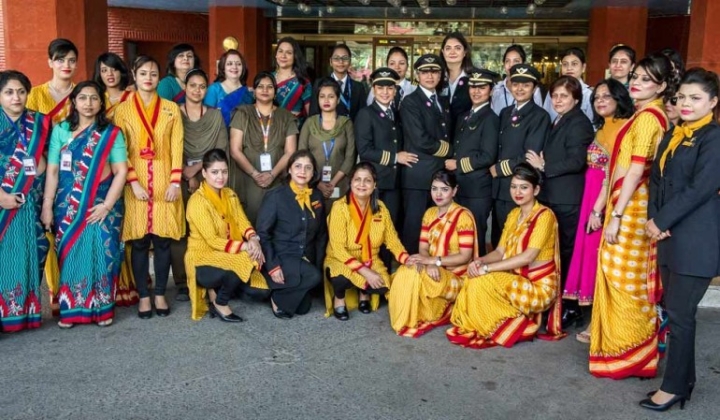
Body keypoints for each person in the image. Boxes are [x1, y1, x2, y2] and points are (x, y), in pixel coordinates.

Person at [589, 53, 673, 379]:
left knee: (625, 283)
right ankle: (620, 350)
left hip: (632, 210)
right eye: (635, 77)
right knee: (616, 277)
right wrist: (602, 207)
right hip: (623, 204)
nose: (636, 83)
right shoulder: (642, 115)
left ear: (663, 86)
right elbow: (617, 167)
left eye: (646, 79)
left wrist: (617, 216)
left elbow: (636, 168)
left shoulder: (650, 118)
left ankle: (632, 353)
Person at [642, 68, 720, 412]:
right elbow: (657, 181)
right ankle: (683, 382)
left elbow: (700, 188)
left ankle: (673, 387)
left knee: (680, 314)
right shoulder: (675, 133)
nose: (686, 104)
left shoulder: (713, 138)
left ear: (713, 102)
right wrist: (654, 219)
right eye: (683, 97)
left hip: (696, 239)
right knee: (677, 312)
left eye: (696, 98)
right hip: (669, 236)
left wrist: (662, 219)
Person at [447, 163, 565, 348]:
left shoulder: (544, 216)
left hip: (538, 287)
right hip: (515, 279)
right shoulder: (513, 214)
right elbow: (499, 252)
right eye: (514, 186)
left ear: (536, 190)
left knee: (482, 280)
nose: (517, 192)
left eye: (524, 187)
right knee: (473, 279)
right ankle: (493, 322)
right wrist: (479, 261)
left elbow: (528, 257)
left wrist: (486, 269)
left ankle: (518, 326)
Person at [40, 81, 128, 328]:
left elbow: (121, 172)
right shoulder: (61, 131)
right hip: (68, 203)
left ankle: (102, 309)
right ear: (74, 102)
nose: (88, 103)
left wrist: (107, 205)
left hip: (103, 204)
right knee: (71, 253)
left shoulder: (112, 133)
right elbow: (54, 171)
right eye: (83, 98)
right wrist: (47, 205)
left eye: (93, 98)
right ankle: (72, 310)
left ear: (101, 103)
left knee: (103, 251)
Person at [113, 55, 185, 319]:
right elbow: (119, 149)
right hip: (136, 183)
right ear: (134, 74)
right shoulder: (122, 110)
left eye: (154, 73)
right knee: (140, 242)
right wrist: (132, 181)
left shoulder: (170, 108)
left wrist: (176, 180)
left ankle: (160, 294)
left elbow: (177, 145)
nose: (148, 78)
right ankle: (144, 295)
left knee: (163, 241)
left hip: (166, 178)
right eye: (143, 73)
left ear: (159, 77)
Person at [563, 78, 634, 343]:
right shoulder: (602, 127)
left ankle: (601, 322)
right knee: (589, 256)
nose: (601, 101)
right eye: (597, 97)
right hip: (589, 196)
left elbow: (616, 174)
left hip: (605, 201)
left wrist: (598, 210)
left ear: (619, 99)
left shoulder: (624, 129)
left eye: (607, 96)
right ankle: (596, 317)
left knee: (600, 260)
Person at [526, 76, 594, 329]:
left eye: (564, 96)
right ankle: (555, 303)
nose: (558, 100)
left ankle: (569, 307)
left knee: (565, 253)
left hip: (567, 199)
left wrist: (545, 165)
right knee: (553, 252)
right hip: (554, 195)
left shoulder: (579, 123)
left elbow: (577, 161)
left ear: (576, 99)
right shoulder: (561, 119)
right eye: (555, 96)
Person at [388, 170, 477, 338]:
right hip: (433, 268)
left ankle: (411, 315)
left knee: (416, 277)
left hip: (456, 276)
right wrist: (427, 263)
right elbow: (423, 247)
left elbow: (465, 256)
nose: (438, 194)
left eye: (444, 189)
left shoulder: (462, 216)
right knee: (406, 270)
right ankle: (403, 317)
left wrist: (434, 262)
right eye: (434, 188)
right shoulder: (429, 214)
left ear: (455, 191)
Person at [185, 149, 270, 322]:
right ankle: (219, 303)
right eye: (214, 172)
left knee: (261, 291)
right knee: (246, 258)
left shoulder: (230, 194)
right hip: (203, 257)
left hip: (227, 252)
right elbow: (212, 240)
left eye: (224, 171)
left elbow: (242, 221)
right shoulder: (198, 201)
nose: (220, 177)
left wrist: (253, 239)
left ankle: (222, 287)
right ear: (204, 173)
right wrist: (246, 246)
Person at [324, 162, 410, 320]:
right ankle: (339, 299)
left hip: (370, 258)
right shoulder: (340, 207)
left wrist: (406, 259)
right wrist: (366, 272)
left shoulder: (381, 208)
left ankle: (364, 294)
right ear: (350, 182)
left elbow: (392, 241)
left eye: (367, 180)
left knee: (384, 285)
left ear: (375, 184)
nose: (362, 184)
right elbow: (338, 248)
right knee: (341, 278)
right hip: (341, 258)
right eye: (357, 179)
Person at [0, 70, 52, 332]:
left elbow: (48, 160)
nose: (16, 97)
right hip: (3, 202)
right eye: (9, 92)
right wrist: (2, 197)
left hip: (32, 200)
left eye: (21, 91)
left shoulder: (39, 123)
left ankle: (24, 314)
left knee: (33, 252)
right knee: (5, 257)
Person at [172, 68, 229, 302]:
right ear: (185, 87)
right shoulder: (174, 113)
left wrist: (197, 171)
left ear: (208, 89)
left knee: (208, 228)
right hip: (177, 176)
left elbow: (221, 148)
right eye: (193, 85)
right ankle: (181, 282)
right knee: (180, 229)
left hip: (209, 178)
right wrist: (186, 173)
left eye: (202, 86)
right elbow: (170, 144)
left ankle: (208, 276)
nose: (197, 90)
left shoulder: (215, 116)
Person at [256, 150, 327, 319]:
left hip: (305, 257)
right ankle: (277, 297)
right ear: (289, 169)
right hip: (281, 255)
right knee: (313, 276)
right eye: (298, 166)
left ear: (313, 173)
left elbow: (321, 235)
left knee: (303, 308)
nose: (303, 171)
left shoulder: (316, 196)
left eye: (308, 168)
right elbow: (263, 234)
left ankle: (280, 292)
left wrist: (318, 263)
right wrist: (273, 266)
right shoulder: (276, 196)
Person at [491, 63, 550, 247]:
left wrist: (498, 169)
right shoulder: (505, 112)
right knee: (498, 237)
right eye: (516, 84)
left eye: (526, 85)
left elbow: (530, 156)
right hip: (498, 188)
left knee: (515, 239)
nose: (520, 88)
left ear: (534, 88)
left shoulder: (540, 116)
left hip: (518, 187)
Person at [399, 54, 452, 254]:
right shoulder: (411, 102)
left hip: (438, 175)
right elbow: (420, 139)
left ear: (440, 75)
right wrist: (449, 151)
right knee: (415, 226)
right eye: (424, 71)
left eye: (434, 71)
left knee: (438, 226)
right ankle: (412, 274)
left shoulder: (443, 101)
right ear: (417, 75)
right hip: (418, 176)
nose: (430, 76)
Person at [229, 72, 298, 223]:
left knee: (275, 224)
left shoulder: (286, 116)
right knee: (248, 224)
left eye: (269, 87)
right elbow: (235, 150)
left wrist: (272, 175)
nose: (265, 90)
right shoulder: (242, 113)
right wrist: (255, 174)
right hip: (247, 179)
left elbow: (290, 152)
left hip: (277, 179)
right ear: (254, 91)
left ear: (275, 92)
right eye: (260, 87)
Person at [445, 68, 499, 256]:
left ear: (491, 91)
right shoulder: (464, 116)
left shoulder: (491, 118)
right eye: (473, 87)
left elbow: (487, 156)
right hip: (460, 185)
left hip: (477, 188)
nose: (476, 91)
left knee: (476, 236)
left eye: (482, 87)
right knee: (459, 236)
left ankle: (478, 281)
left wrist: (458, 164)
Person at [356, 67, 417, 231]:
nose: (385, 92)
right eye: (380, 88)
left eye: (390, 88)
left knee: (391, 227)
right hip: (376, 182)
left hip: (395, 182)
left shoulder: (396, 114)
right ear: (373, 89)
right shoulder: (366, 114)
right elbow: (365, 150)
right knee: (372, 228)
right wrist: (395, 157)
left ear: (395, 90)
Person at [299, 78, 355, 206]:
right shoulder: (310, 123)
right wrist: (318, 183)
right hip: (312, 184)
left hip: (339, 184)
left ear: (338, 99)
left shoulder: (346, 123)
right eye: (322, 96)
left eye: (331, 96)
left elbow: (350, 157)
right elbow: (301, 154)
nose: (326, 100)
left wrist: (332, 183)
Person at [309, 44, 367, 121]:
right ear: (330, 62)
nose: (341, 61)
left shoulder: (358, 87)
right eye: (336, 58)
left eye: (345, 58)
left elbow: (362, 116)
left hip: (350, 131)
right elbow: (314, 113)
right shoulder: (320, 83)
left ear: (350, 62)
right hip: (325, 130)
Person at [27, 38, 78, 125]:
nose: (66, 65)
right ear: (50, 63)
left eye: (71, 61)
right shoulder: (34, 94)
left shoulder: (81, 93)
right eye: (60, 60)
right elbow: (28, 128)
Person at [203, 49, 253, 126]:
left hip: (243, 136)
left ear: (243, 68)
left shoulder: (249, 93)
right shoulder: (214, 89)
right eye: (229, 64)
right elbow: (207, 119)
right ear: (223, 68)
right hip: (219, 136)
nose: (234, 67)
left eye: (238, 64)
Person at [543, 48, 594, 122]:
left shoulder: (589, 94)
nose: (569, 68)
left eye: (574, 64)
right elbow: (545, 118)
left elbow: (592, 125)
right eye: (565, 64)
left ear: (583, 67)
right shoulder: (553, 91)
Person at [490, 45, 543, 116]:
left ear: (523, 63)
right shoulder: (497, 89)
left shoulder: (533, 90)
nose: (511, 65)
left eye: (516, 61)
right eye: (507, 61)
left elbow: (538, 115)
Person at [273, 37, 312, 128]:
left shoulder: (303, 82)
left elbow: (311, 115)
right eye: (280, 51)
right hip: (270, 132)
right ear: (276, 55)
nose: (283, 55)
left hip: (295, 131)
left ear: (295, 56)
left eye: (289, 53)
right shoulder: (267, 79)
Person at [439, 32, 473, 131]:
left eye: (457, 48)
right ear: (442, 52)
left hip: (466, 135)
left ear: (465, 52)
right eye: (448, 48)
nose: (452, 52)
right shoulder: (435, 78)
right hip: (439, 139)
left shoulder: (473, 78)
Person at [94, 52, 133, 119]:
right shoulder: (96, 98)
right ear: (99, 74)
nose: (110, 74)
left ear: (121, 72)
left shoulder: (133, 97)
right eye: (104, 70)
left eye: (114, 69)